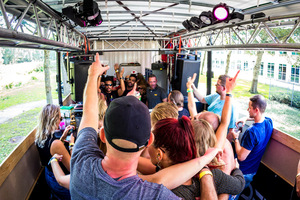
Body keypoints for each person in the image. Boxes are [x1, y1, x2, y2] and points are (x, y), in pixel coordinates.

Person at [70, 53, 221, 199]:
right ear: (149, 140)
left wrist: (92, 75)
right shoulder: (155, 195)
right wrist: (204, 166)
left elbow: (88, 114)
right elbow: (158, 179)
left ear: (102, 135)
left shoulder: (80, 161)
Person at [231, 94, 273, 196]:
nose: (247, 109)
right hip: (253, 170)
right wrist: (246, 119)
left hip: (242, 172)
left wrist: (236, 138)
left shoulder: (252, 132)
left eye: (249, 108)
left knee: (231, 197)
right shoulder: (268, 122)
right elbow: (260, 118)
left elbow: (241, 157)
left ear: (257, 110)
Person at [35, 104, 74, 200]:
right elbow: (73, 168)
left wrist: (62, 138)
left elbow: (51, 151)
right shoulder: (56, 144)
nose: (61, 121)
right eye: (60, 118)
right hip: (60, 182)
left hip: (49, 175)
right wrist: (71, 145)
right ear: (54, 120)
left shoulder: (40, 137)